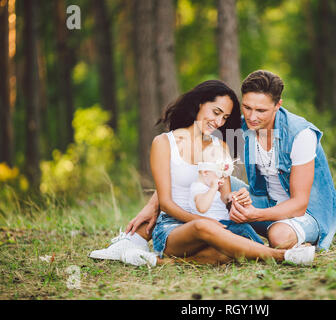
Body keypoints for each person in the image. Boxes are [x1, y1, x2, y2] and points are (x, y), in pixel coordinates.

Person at [89, 79, 315, 266]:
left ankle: (158, 262)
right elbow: (166, 203)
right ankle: (282, 257)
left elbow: (225, 194)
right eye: (215, 112)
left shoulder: (221, 146)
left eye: (224, 118)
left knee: (226, 255)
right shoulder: (164, 143)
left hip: (221, 224)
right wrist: (203, 221)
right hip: (176, 229)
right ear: (199, 103)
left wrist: (235, 200)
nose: (218, 122)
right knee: (205, 228)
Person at [124, 71, 336, 257]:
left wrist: (252, 215)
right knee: (222, 183)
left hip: (305, 212)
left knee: (279, 237)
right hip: (264, 201)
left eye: (261, 111)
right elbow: (183, 168)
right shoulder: (238, 129)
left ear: (278, 105)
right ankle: (130, 242)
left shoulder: (300, 135)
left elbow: (299, 204)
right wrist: (153, 205)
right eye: (247, 107)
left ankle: (266, 247)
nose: (252, 117)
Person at [188, 144, 264, 246]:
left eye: (225, 177)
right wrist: (213, 188)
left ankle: (257, 247)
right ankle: (261, 249)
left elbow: (222, 200)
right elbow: (202, 207)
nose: (223, 180)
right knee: (243, 230)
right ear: (205, 172)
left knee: (244, 227)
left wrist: (231, 196)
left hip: (224, 223)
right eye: (220, 176)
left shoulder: (211, 187)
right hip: (214, 225)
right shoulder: (198, 187)